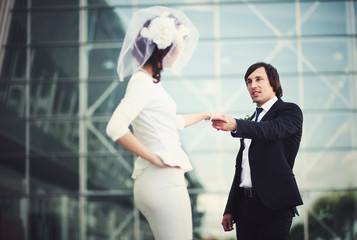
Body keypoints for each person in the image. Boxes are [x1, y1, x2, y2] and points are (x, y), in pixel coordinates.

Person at [106, 6, 226, 240]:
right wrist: (153, 157)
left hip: (155, 181)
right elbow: (116, 127)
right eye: (179, 43)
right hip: (163, 180)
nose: (181, 50)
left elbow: (173, 122)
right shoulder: (142, 82)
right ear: (165, 48)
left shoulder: (149, 83)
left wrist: (207, 114)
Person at [212, 62, 303, 240]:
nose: (253, 85)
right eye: (248, 81)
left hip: (275, 204)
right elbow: (242, 168)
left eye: (258, 79)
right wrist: (230, 209)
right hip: (245, 207)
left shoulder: (289, 111)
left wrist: (237, 125)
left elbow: (272, 130)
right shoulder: (252, 119)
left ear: (273, 83)